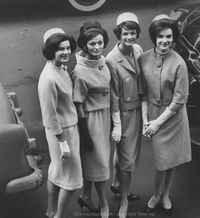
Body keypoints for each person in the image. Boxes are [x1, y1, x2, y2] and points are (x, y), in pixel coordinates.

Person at [139, 14, 192, 215]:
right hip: (153, 113)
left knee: (171, 160)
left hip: (173, 117)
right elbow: (142, 91)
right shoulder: (143, 58)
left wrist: (156, 123)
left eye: (169, 37)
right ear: (154, 37)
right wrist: (146, 121)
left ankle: (166, 194)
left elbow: (179, 100)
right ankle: (156, 193)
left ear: (173, 38)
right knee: (161, 162)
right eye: (160, 36)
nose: (164, 41)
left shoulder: (179, 63)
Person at [38, 28, 83, 218]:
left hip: (67, 129)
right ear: (50, 51)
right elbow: (50, 115)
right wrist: (63, 142)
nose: (66, 52)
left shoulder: (59, 68)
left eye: (67, 48)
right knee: (72, 180)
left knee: (57, 172)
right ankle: (58, 216)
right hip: (61, 133)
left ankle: (50, 212)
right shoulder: (48, 79)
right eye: (60, 49)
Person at [71, 21, 110, 218]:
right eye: (92, 44)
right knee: (101, 164)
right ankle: (104, 205)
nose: (97, 47)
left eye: (100, 43)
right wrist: (85, 133)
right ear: (85, 45)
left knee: (94, 164)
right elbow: (78, 105)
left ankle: (86, 197)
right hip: (91, 120)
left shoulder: (102, 60)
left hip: (105, 117)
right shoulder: (79, 71)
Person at [106, 12, 143, 218]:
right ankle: (124, 199)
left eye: (133, 33)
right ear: (118, 33)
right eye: (125, 33)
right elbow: (113, 96)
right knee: (127, 159)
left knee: (123, 155)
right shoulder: (112, 59)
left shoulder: (137, 49)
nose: (129, 37)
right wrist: (117, 125)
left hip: (137, 110)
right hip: (124, 113)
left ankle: (116, 184)